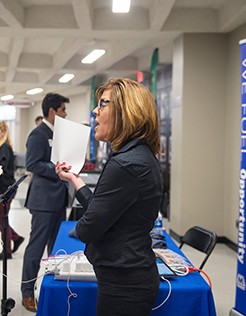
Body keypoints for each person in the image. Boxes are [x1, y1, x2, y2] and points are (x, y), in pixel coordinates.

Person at [55, 78, 163, 316]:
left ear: (126, 112)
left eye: (102, 104)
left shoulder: (125, 164)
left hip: (124, 284)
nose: (95, 110)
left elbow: (88, 229)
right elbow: (106, 210)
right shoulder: (138, 155)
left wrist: (85, 223)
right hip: (132, 276)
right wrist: (76, 180)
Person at [21, 93, 70, 312]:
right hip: (43, 201)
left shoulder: (60, 134)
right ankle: (27, 293)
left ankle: (53, 291)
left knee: (56, 250)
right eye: (62, 110)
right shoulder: (38, 134)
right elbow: (33, 164)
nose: (65, 113)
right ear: (52, 111)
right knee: (36, 248)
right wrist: (57, 171)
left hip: (59, 200)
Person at [0, 121, 24, 261]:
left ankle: (7, 251)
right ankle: (16, 238)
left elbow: (1, 168)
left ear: (3, 132)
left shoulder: (4, 147)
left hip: (5, 189)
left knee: (0, 219)